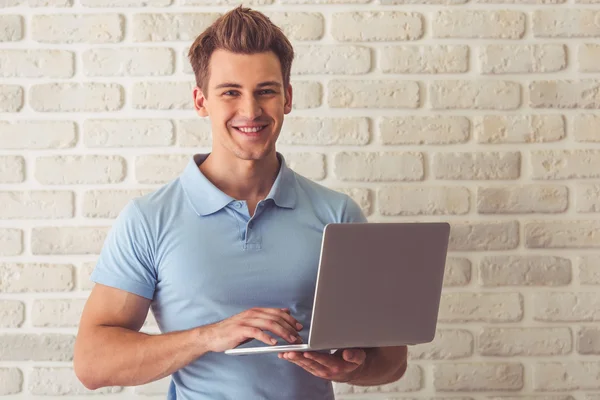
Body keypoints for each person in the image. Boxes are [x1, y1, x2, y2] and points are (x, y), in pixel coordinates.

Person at [73, 6, 408, 399]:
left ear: (287, 98)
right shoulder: (149, 219)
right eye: (230, 92)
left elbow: (392, 360)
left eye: (266, 91)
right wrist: (209, 336)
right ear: (201, 101)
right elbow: (92, 363)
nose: (250, 111)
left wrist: (354, 366)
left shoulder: (337, 215)